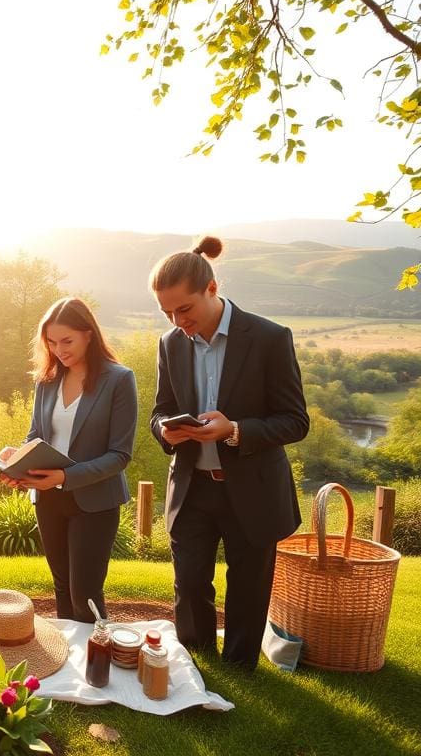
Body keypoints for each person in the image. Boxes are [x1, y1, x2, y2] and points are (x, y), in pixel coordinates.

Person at [149, 236, 309, 670]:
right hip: (191, 489)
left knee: (248, 590)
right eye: (167, 313)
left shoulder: (270, 338)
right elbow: (160, 411)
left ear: (212, 289)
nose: (178, 321)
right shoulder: (170, 343)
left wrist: (235, 430)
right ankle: (194, 668)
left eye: (185, 309)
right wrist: (166, 431)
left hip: (253, 490)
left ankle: (239, 671)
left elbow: (295, 421)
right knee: (189, 584)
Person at [0, 297, 138, 623]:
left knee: (84, 593)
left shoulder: (119, 380)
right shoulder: (46, 380)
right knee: (62, 588)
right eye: (51, 342)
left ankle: (96, 651)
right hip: (48, 499)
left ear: (88, 334)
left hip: (95, 502)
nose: (58, 350)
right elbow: (36, 435)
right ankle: (68, 653)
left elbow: (120, 455)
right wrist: (15, 460)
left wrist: (64, 477)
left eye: (66, 341)